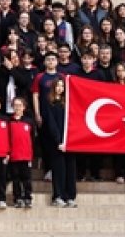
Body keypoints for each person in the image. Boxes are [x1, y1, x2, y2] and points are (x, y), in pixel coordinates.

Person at [40, 77, 76, 207]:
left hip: (70, 143)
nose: (60, 88)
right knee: (58, 170)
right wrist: (58, 141)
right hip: (57, 143)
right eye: (58, 86)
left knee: (70, 170)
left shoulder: (68, 103)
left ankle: (70, 196)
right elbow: (51, 123)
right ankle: (58, 196)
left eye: (62, 86)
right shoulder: (49, 103)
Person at [7, 96, 35, 208]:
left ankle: (27, 197)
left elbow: (32, 138)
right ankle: (17, 198)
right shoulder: (9, 121)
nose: (17, 107)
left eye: (20, 105)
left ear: (24, 107)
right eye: (15, 105)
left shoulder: (29, 121)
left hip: (26, 155)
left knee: (26, 179)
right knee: (16, 179)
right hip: (14, 155)